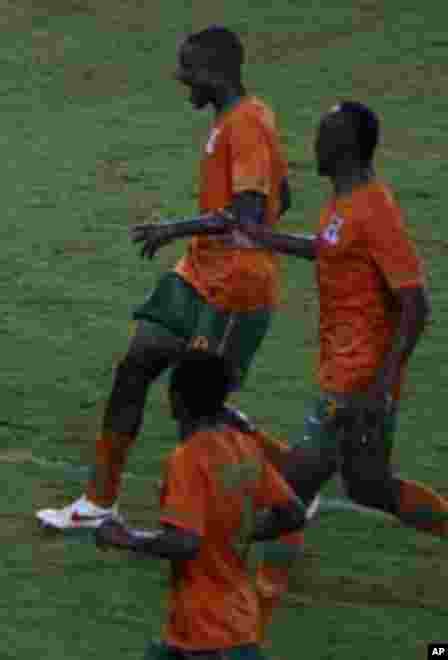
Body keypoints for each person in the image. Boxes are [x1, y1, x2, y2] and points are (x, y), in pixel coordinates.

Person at [38, 26, 291, 530]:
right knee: (135, 366)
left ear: (216, 73)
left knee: (199, 407)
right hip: (197, 275)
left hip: (234, 288)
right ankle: (97, 503)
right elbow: (281, 195)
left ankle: (289, 483)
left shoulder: (246, 125)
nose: (184, 82)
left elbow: (246, 213)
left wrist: (175, 228)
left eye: (190, 72)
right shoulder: (238, 118)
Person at [240, 101, 448, 536]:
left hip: (356, 378)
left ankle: (207, 551)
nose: (314, 143)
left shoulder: (375, 210)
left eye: (323, 135)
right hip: (346, 366)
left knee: (291, 488)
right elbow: (328, 247)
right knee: (369, 487)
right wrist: (264, 239)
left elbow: (416, 304)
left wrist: (381, 387)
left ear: (344, 147)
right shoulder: (344, 199)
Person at [96, 351, 306, 660]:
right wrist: (239, 532)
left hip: (206, 635)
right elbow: (293, 514)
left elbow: (184, 543)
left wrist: (126, 538)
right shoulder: (244, 449)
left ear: (176, 399)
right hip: (234, 625)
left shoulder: (188, 459)